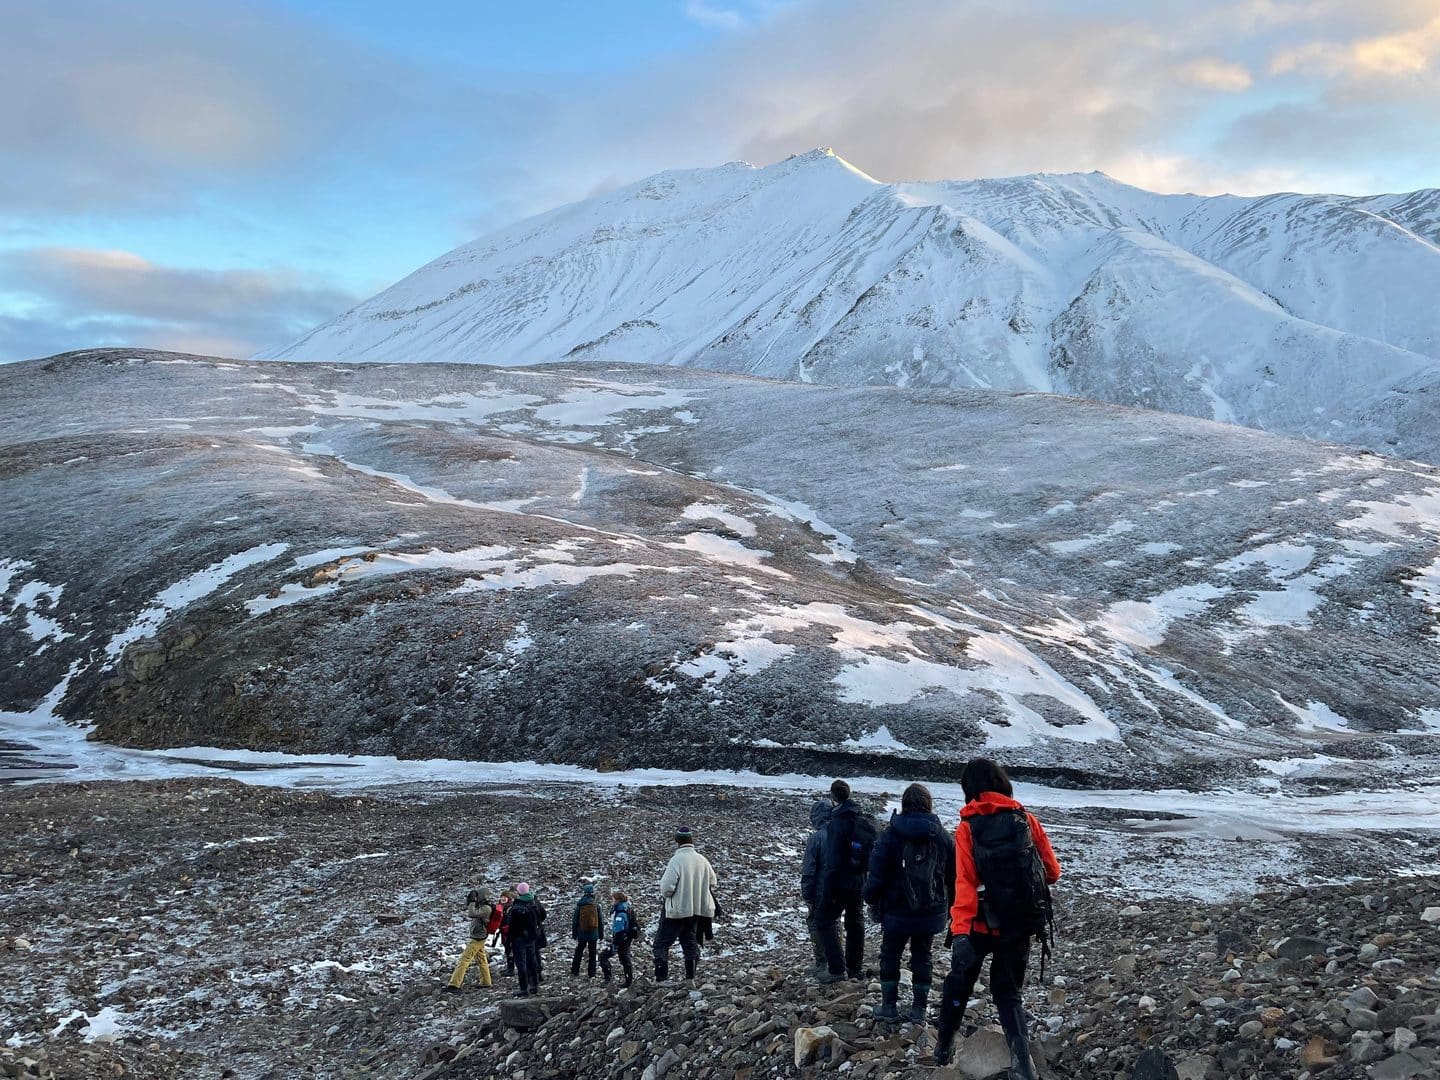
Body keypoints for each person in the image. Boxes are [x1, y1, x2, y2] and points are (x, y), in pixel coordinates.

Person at [934, 759, 1061, 1079]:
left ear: (969, 789)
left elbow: (964, 883)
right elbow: (1053, 873)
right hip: (1018, 924)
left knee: (958, 986)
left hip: (978, 925)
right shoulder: (1026, 820)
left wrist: (960, 931)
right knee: (1008, 994)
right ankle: (1022, 1064)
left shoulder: (967, 828)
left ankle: (943, 1047)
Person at [862, 783, 954, 1024]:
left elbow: (877, 874)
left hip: (895, 911)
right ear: (928, 803)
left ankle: (889, 1007)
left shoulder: (890, 835)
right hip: (930, 911)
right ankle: (918, 1011)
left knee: (890, 955)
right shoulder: (941, 835)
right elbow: (954, 875)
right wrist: (951, 907)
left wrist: (870, 897)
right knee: (922, 956)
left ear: (903, 804)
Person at [814, 779, 878, 983]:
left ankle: (836, 968)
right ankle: (855, 968)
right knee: (855, 921)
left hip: (840, 881)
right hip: (860, 879)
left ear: (833, 798)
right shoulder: (861, 819)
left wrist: (828, 887)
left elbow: (833, 860)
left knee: (824, 920)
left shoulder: (837, 822)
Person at [654, 826, 718, 984]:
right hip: (696, 910)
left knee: (661, 943)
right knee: (689, 942)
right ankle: (690, 978)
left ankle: (662, 978)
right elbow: (713, 882)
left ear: (677, 841)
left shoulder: (676, 860)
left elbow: (666, 888)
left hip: (677, 911)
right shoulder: (702, 860)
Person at [800, 799, 832, 975]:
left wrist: (807, 893)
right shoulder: (839, 832)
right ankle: (836, 959)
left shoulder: (816, 838)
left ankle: (822, 961)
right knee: (834, 923)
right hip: (839, 887)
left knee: (815, 923)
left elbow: (809, 869)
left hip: (820, 890)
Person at [445, 888, 495, 992]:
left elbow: (471, 914)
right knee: (481, 960)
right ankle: (486, 982)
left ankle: (454, 985)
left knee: (464, 960)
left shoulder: (486, 908)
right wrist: (470, 900)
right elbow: (470, 909)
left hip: (478, 938)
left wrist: (472, 902)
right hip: (479, 937)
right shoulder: (483, 905)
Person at [504, 882, 547, 997]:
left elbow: (512, 926)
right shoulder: (534, 901)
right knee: (532, 960)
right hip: (532, 937)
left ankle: (524, 988)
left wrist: (509, 941)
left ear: (518, 892)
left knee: (521, 963)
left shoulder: (517, 906)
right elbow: (543, 914)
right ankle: (534, 985)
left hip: (519, 939)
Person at [600, 890, 641, 987]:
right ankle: (628, 980)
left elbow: (619, 930)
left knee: (603, 956)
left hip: (622, 939)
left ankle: (609, 979)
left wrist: (615, 944)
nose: (612, 901)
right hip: (626, 938)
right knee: (624, 957)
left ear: (618, 900)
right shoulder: (626, 908)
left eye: (613, 899)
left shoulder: (620, 913)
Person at [571, 883, 605, 978]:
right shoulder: (596, 905)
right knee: (592, 953)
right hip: (593, 933)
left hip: (582, 933)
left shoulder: (580, 905)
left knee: (579, 951)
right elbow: (601, 921)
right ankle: (592, 973)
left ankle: (574, 970)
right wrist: (601, 934)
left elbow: (575, 921)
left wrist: (574, 934)